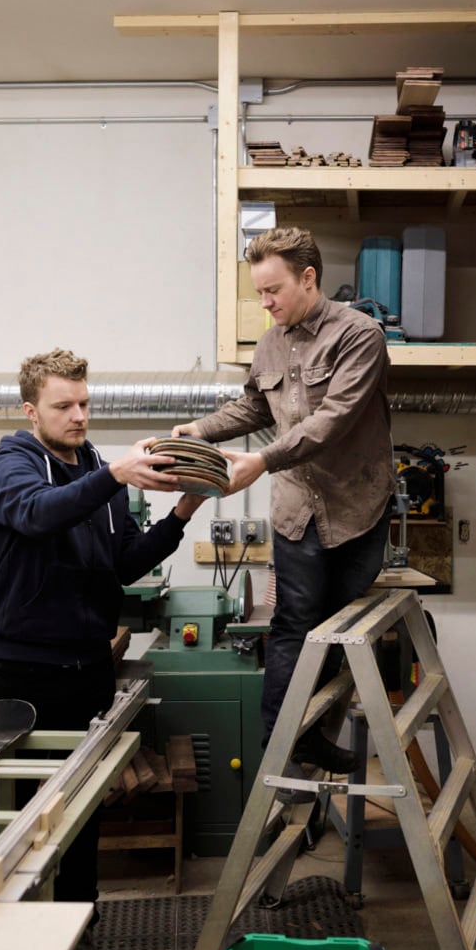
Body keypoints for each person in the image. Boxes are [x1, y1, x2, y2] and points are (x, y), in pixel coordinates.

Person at [0, 348, 204, 950]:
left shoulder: (101, 471)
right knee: (22, 820)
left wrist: (181, 515)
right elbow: (36, 514)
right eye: (63, 406)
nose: (78, 415)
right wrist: (115, 479)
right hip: (24, 674)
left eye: (84, 403)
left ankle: (77, 938)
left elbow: (124, 564)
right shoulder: (15, 462)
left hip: (87, 671)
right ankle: (14, 944)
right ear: (32, 410)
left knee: (78, 821)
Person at [172, 227, 394, 785]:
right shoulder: (271, 341)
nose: (265, 303)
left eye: (272, 291)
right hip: (297, 508)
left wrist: (262, 462)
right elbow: (252, 406)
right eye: (259, 293)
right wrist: (198, 430)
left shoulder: (359, 336)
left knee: (338, 625)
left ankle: (314, 732)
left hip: (354, 506)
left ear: (309, 278)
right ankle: (285, 741)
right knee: (294, 621)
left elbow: (333, 421)